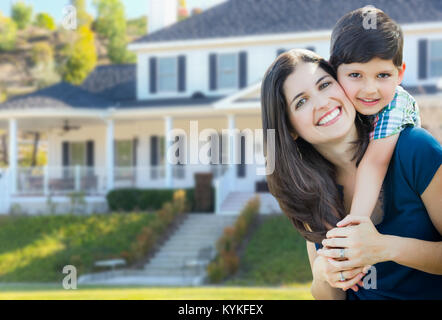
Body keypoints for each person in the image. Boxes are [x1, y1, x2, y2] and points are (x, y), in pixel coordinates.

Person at [260, 48, 442, 299]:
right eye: (301, 102)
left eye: (325, 85)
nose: (322, 103)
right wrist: (323, 273)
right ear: (289, 128)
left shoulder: (414, 149)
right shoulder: (309, 190)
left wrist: (385, 248)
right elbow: (331, 295)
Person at [330, 7, 421, 223]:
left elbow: (375, 164)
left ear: (399, 74)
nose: (370, 89)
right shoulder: (340, 105)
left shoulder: (396, 104)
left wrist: (355, 223)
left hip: (405, 198)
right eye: (355, 75)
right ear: (335, 72)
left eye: (382, 75)